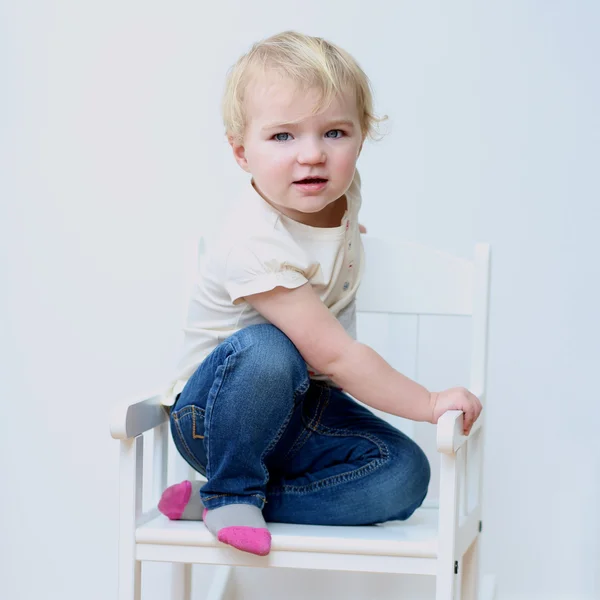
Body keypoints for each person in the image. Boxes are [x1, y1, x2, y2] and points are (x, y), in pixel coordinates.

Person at [157, 30, 482, 557]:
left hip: (301, 407)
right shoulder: (253, 243)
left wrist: (348, 240)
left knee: (404, 475)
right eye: (282, 136)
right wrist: (426, 402)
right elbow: (334, 355)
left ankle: (222, 501)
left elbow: (330, 234)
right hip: (214, 418)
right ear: (241, 152)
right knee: (270, 346)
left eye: (334, 132)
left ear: (362, 135)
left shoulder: (341, 190)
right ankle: (231, 488)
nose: (312, 156)